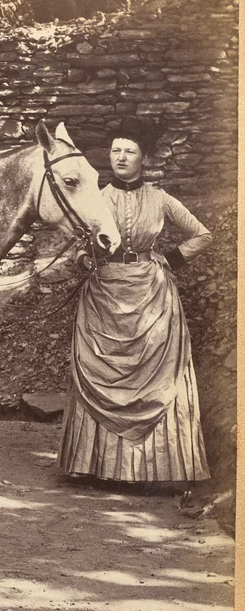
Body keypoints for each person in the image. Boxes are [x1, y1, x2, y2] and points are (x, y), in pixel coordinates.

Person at [58, 117, 213, 491]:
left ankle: (154, 471)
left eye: (129, 151)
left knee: (156, 378)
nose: (121, 157)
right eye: (115, 151)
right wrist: (84, 260)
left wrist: (170, 261)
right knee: (101, 372)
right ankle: (97, 466)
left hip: (152, 298)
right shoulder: (97, 198)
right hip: (103, 297)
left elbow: (202, 234)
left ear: (144, 158)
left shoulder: (160, 199)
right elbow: (75, 245)